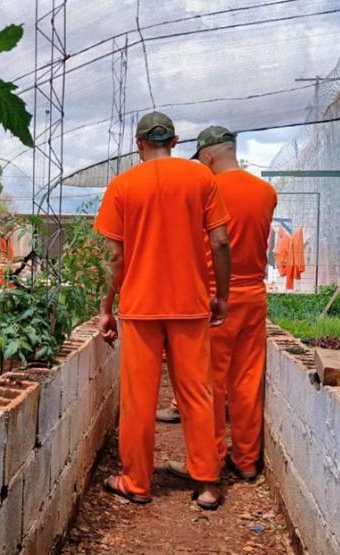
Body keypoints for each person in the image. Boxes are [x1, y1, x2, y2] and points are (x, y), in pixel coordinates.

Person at [95, 112, 232, 510]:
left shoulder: (122, 186)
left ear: (139, 144)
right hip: (190, 305)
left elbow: (114, 256)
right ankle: (207, 484)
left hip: (140, 308)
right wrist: (220, 295)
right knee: (197, 394)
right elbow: (221, 242)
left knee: (139, 399)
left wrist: (106, 308)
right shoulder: (202, 179)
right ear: (174, 142)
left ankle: (136, 482)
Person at [169, 126, 277, 481]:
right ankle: (246, 461)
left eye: (201, 159)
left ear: (209, 155)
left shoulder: (208, 189)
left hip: (216, 298)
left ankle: (209, 460)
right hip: (254, 297)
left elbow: (211, 244)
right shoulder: (266, 192)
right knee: (246, 382)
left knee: (208, 385)